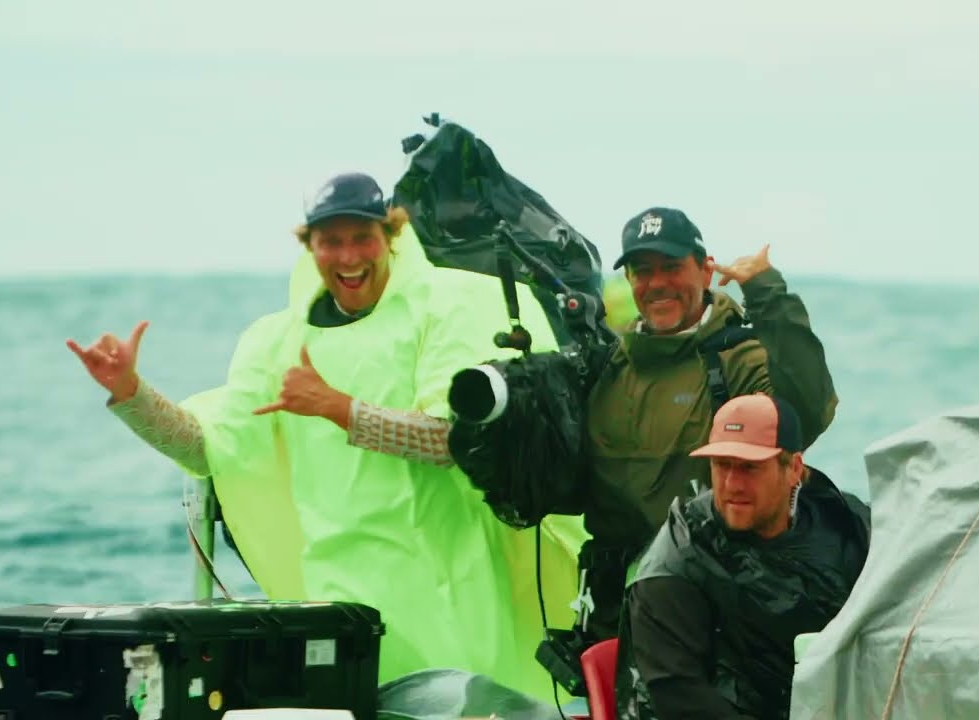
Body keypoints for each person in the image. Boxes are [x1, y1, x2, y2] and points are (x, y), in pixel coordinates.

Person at [65, 171, 587, 699]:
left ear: (391, 235)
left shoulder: (438, 308)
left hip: (451, 589)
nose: (348, 256)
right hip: (341, 599)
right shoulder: (276, 341)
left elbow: (451, 443)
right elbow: (205, 450)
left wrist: (339, 409)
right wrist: (131, 393)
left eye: (362, 237)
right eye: (330, 241)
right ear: (308, 246)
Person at [577, 206, 839, 638]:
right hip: (615, 613)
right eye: (643, 271)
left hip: (714, 611)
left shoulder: (737, 357)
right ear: (628, 282)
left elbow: (803, 416)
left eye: (672, 267)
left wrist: (767, 294)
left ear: (704, 270)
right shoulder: (607, 367)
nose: (657, 283)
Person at [615, 393, 870, 720]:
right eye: (722, 465)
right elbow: (678, 695)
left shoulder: (843, 524)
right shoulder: (675, 565)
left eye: (750, 467)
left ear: (793, 468)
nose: (732, 484)